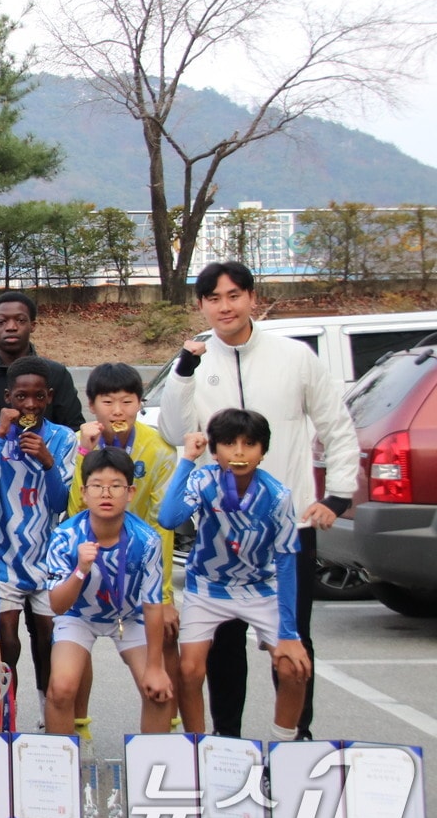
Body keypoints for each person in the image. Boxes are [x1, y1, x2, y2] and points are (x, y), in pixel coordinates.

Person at [157, 261, 358, 739]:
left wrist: (339, 495)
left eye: (233, 295)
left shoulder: (295, 357)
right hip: (219, 531)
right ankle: (227, 742)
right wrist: (184, 373)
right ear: (201, 305)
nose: (224, 307)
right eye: (213, 299)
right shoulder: (196, 362)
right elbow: (171, 433)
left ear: (251, 297)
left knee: (292, 639)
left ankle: (295, 738)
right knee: (223, 647)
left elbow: (336, 426)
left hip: (287, 529)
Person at [158, 411, 311, 740]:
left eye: (249, 444)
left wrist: (289, 632)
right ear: (215, 451)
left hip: (260, 588)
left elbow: (286, 562)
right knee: (189, 670)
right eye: (228, 444)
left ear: (263, 451)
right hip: (208, 587)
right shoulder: (204, 480)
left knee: (293, 667)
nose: (239, 452)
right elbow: (169, 518)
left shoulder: (278, 496)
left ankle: (285, 747)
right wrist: (187, 460)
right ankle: (199, 749)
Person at [65, 363, 180, 742]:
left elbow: (163, 524)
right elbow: (73, 514)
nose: (117, 411)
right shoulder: (80, 443)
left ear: (140, 403)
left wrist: (164, 596)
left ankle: (169, 739)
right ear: (91, 404)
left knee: (163, 644)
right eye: (107, 401)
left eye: (127, 401)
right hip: (90, 565)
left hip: (138, 570)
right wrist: (84, 453)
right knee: (73, 657)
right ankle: (78, 732)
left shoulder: (159, 449)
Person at [0, 356, 76, 727]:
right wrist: (0, 437)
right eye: (21, 396)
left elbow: (62, 503)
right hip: (2, 554)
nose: (29, 405)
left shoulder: (63, 438)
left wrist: (48, 462)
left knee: (47, 639)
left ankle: (50, 714)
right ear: (7, 396)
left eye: (38, 397)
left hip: (46, 555)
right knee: (7, 641)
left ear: (49, 396)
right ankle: (6, 714)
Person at [44, 448, 173, 736]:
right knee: (61, 688)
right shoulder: (65, 537)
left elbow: (153, 606)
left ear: (130, 492)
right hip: (79, 615)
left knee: (158, 691)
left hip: (130, 615)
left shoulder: (147, 540)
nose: (106, 493)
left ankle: (152, 770)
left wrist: (155, 667)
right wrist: (80, 569)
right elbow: (57, 605)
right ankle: (60, 770)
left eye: (116, 486)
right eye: (97, 486)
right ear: (84, 492)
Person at [0, 291, 85, 429]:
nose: (11, 327)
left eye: (20, 320)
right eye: (2, 321)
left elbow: (74, 429)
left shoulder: (56, 373)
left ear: (33, 325)